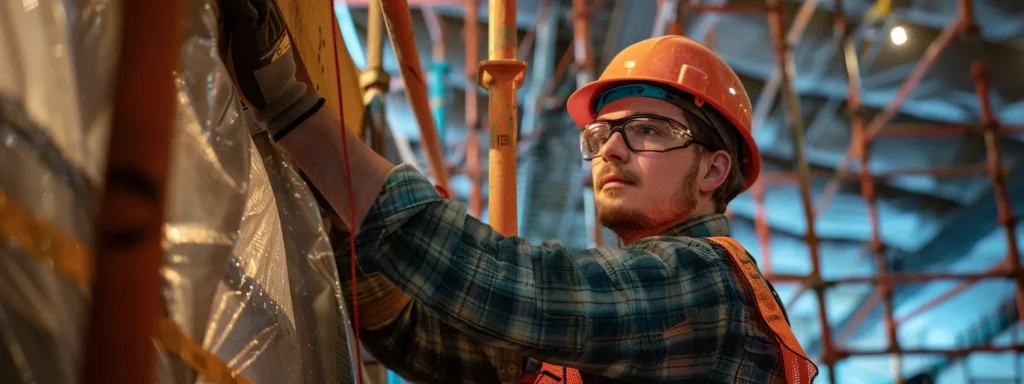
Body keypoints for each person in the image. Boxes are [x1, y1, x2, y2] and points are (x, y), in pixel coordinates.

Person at [218, 0, 818, 383]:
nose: (610, 149)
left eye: (648, 131)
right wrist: (346, 217)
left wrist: (297, 112)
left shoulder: (708, 287)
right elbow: (437, 348)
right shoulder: (614, 338)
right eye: (603, 133)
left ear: (714, 172)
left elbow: (515, 288)